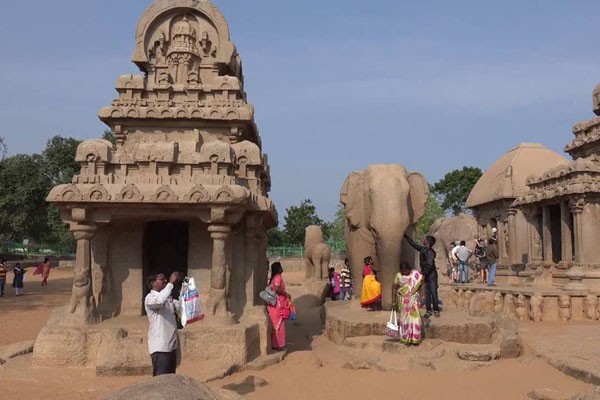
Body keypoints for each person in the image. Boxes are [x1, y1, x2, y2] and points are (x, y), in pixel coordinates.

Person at [144, 271, 182, 376]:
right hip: (160, 347)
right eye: (161, 279)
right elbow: (160, 301)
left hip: (171, 346)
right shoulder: (150, 298)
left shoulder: (168, 298)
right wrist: (170, 283)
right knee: (160, 381)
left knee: (170, 380)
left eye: (166, 279)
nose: (165, 281)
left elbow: (181, 308)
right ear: (153, 283)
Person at [404, 234, 440, 318]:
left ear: (428, 242)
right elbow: (413, 244)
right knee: (427, 293)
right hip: (426, 274)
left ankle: (436, 309)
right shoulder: (423, 249)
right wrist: (406, 236)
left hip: (431, 275)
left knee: (433, 292)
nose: (424, 240)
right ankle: (428, 310)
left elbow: (430, 264)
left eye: (425, 239)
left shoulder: (430, 252)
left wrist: (424, 274)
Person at [392, 262, 424, 345]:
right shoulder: (398, 276)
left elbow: (421, 285)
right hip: (402, 301)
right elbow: (394, 289)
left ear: (410, 269)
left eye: (407, 271)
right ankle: (405, 338)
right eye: (403, 271)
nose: (405, 273)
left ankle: (415, 338)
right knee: (404, 320)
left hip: (413, 300)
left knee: (416, 319)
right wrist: (393, 301)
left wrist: (422, 297)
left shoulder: (416, 275)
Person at [266, 262, 291, 351]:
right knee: (278, 324)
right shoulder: (278, 277)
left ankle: (274, 344)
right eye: (280, 267)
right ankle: (277, 345)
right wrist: (286, 294)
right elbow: (277, 288)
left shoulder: (273, 278)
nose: (282, 268)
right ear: (278, 268)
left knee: (275, 323)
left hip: (274, 304)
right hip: (277, 304)